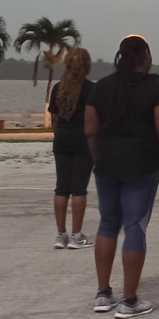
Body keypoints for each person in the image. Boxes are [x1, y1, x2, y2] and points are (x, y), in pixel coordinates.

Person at [84, 35, 159, 319]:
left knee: (107, 224)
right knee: (135, 227)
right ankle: (129, 300)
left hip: (106, 166)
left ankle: (103, 294)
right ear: (145, 56)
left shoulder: (101, 87)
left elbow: (90, 130)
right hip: (141, 166)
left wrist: (99, 158)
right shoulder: (156, 86)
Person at [48, 47, 95, 249]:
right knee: (78, 189)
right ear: (86, 66)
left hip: (62, 140)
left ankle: (61, 235)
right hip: (82, 141)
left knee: (61, 188)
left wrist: (59, 134)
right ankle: (76, 236)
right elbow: (94, 119)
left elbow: (54, 118)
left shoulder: (58, 88)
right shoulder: (91, 89)